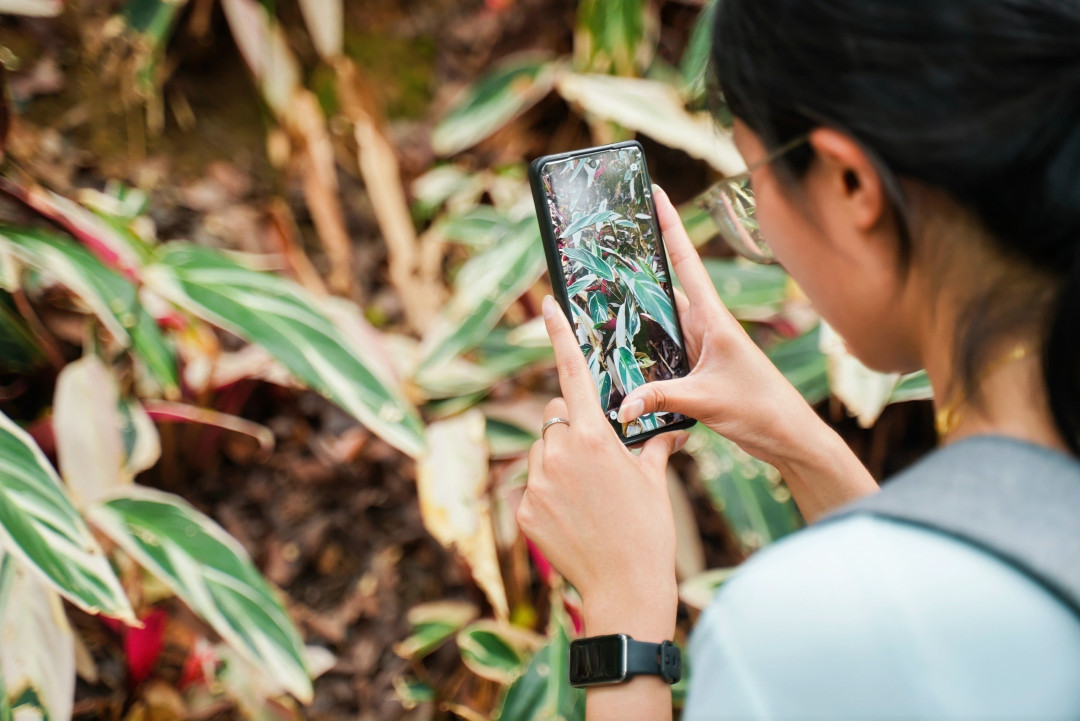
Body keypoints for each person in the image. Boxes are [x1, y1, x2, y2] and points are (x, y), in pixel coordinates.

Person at [516, 0, 1080, 718]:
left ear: (851, 183)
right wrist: (802, 442)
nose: (762, 232)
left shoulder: (788, 636)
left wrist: (623, 602)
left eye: (753, 184)